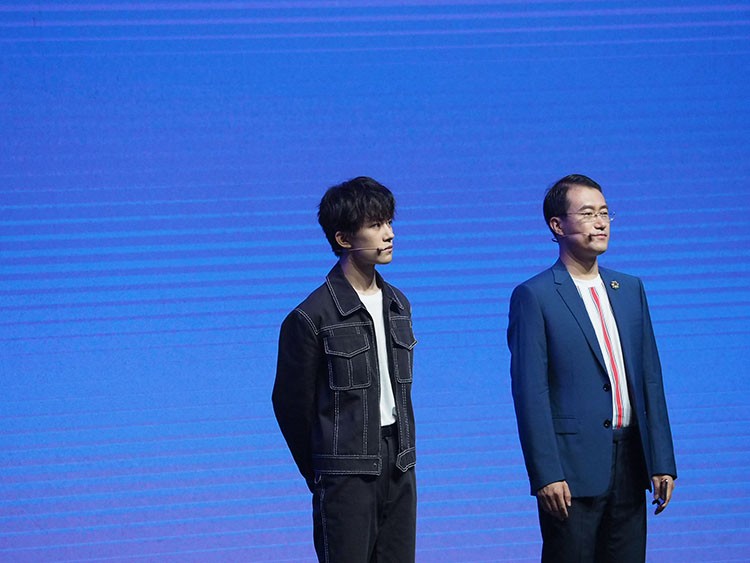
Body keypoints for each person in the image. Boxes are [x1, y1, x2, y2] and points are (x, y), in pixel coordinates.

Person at [507, 174, 677, 562]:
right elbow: (530, 393)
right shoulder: (535, 295)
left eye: (604, 213)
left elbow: (650, 378)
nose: (600, 223)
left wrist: (662, 459)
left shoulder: (629, 289)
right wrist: (546, 473)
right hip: (572, 468)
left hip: (631, 461)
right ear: (557, 225)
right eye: (587, 214)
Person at [272, 176, 418, 563]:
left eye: (389, 222)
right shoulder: (311, 316)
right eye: (375, 225)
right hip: (344, 472)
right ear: (343, 238)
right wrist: (324, 470)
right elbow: (291, 407)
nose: (389, 234)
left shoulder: (398, 304)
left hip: (400, 463)